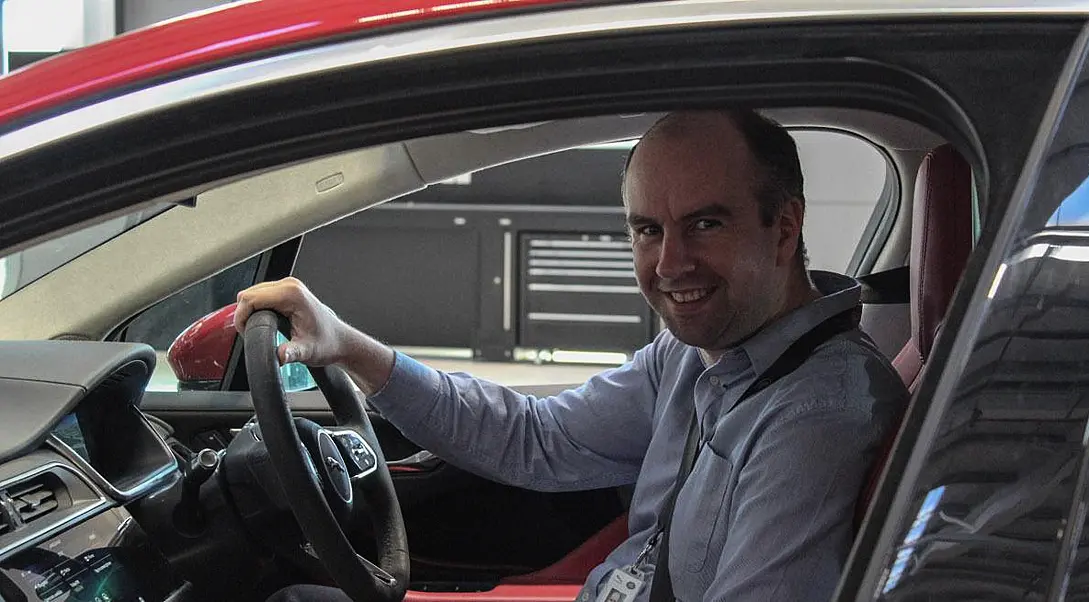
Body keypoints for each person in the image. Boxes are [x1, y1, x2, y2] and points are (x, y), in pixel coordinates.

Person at [244, 109, 907, 602]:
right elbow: (538, 437)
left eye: (706, 224)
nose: (671, 263)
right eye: (649, 230)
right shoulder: (695, 354)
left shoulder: (818, 416)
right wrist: (350, 347)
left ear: (784, 229)